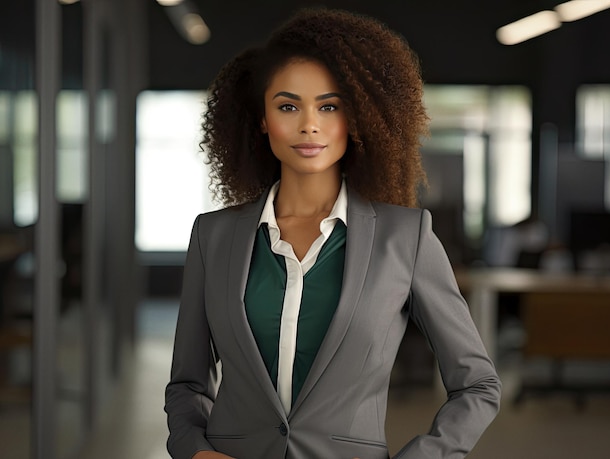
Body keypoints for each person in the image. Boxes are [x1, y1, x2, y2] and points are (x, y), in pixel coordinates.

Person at [165, 8, 501, 459]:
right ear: (262, 118)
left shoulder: (406, 238)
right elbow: (187, 383)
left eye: (329, 106)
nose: (309, 124)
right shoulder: (214, 236)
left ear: (357, 116)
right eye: (288, 106)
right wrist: (196, 452)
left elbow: (477, 385)